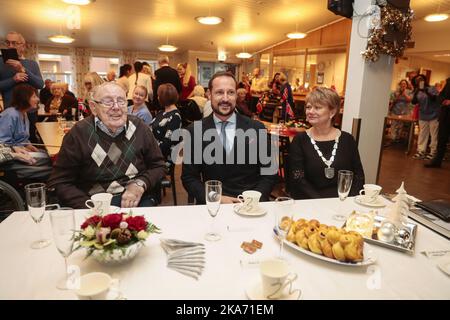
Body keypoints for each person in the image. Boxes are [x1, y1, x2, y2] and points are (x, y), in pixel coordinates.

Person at [48, 82, 166, 209]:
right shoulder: (78, 134)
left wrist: (140, 184)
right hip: (91, 204)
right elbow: (60, 181)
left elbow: (158, 166)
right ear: (93, 107)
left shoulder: (140, 128)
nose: (116, 107)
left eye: (121, 101)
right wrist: (88, 206)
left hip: (136, 200)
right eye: (108, 102)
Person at [181, 71, 278, 204]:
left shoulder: (256, 128)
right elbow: (189, 177)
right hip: (214, 207)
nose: (225, 98)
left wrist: (253, 200)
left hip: (252, 207)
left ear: (236, 95)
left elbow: (269, 173)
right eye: (219, 92)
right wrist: (216, 198)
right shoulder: (195, 131)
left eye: (231, 92)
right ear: (209, 95)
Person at [288, 87, 365, 199]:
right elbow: (298, 179)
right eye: (308, 107)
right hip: (311, 203)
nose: (310, 111)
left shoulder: (347, 140)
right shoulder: (300, 140)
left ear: (332, 112)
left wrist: (348, 200)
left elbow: (359, 176)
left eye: (317, 107)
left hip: (343, 203)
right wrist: (322, 203)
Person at [0, 84, 52, 180]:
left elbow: (22, 139)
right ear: (24, 98)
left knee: (51, 158)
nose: (37, 99)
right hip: (10, 161)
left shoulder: (24, 113)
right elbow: (2, 143)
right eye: (34, 96)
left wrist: (27, 145)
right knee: (52, 168)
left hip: (21, 153)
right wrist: (15, 149)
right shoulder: (10, 114)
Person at [0, 31, 44, 108]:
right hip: (11, 111)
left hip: (31, 110)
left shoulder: (32, 64)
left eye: (14, 43)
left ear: (23, 46)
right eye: (7, 43)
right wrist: (13, 80)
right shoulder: (1, 62)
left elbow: (40, 85)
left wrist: (22, 69)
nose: (10, 46)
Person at [412, 74, 440, 160]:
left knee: (434, 135)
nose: (419, 81)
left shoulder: (432, 88)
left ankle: (433, 152)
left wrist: (425, 91)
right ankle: (421, 151)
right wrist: (417, 91)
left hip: (434, 115)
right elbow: (413, 102)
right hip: (423, 115)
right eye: (417, 80)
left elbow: (435, 99)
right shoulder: (417, 91)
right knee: (422, 134)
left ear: (424, 80)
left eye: (420, 79)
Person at [151, 83, 182, 161]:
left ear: (163, 98)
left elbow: (168, 142)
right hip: (154, 152)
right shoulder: (161, 112)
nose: (157, 98)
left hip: (163, 157)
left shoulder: (175, 116)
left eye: (159, 96)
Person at [425, 77, 450, 168]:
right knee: (442, 139)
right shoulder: (448, 82)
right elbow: (441, 97)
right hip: (445, 116)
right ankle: (437, 161)